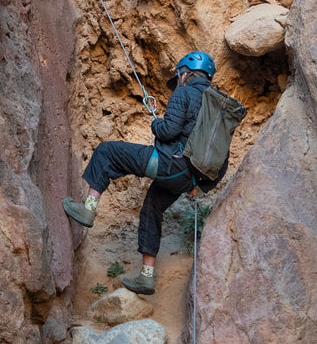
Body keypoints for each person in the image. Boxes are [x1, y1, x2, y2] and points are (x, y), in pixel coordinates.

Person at [63, 51, 226, 296]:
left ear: (185, 72)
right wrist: (201, 188)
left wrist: (155, 122)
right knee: (152, 208)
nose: (179, 79)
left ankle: (88, 207)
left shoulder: (183, 92)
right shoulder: (220, 108)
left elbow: (168, 132)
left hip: (166, 164)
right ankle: (146, 277)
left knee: (107, 152)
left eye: (179, 75)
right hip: (187, 180)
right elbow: (222, 158)